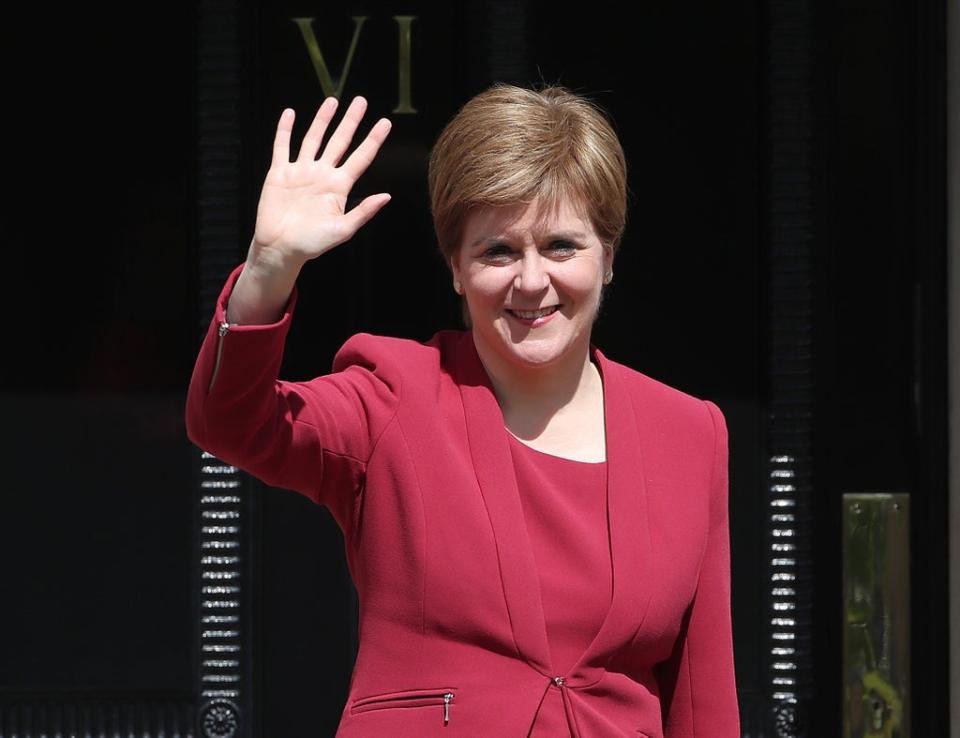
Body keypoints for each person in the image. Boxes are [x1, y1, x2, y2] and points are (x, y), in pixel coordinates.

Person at [185, 83, 740, 737]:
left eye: (562, 246)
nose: (532, 281)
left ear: (609, 256)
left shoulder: (689, 433)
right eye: (498, 251)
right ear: (455, 267)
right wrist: (270, 269)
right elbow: (231, 422)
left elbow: (702, 702)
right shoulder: (392, 397)